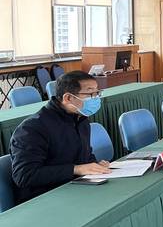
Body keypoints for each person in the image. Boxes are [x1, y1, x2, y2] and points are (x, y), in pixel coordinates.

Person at [9, 71, 111, 204]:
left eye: (97, 93)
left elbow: (84, 154)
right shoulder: (32, 128)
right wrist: (76, 169)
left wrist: (95, 165)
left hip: (76, 188)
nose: (95, 98)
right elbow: (24, 175)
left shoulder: (81, 119)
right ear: (68, 98)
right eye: (90, 94)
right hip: (43, 199)